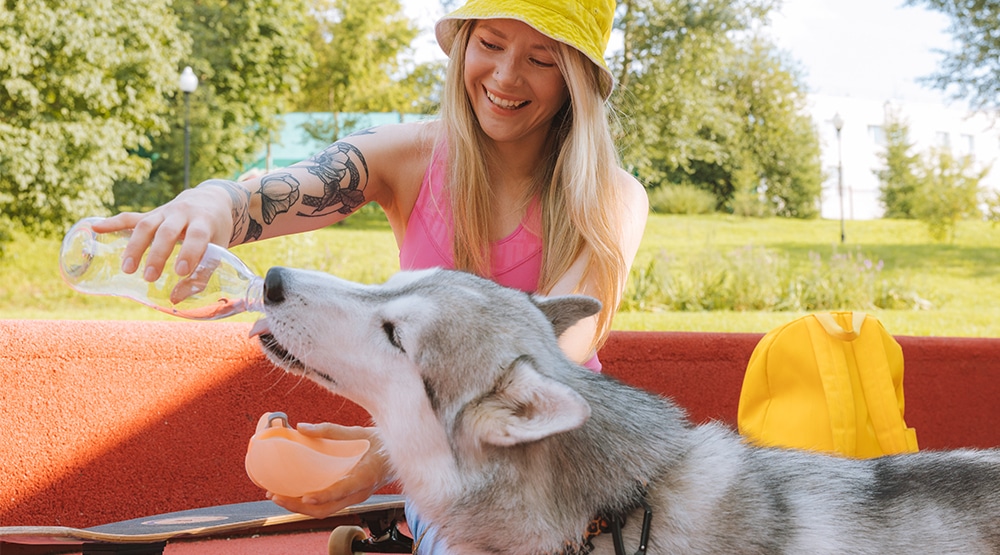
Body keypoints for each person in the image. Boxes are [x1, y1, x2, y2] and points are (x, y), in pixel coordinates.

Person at [97, 0, 647, 550]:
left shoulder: (613, 197)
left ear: (575, 78)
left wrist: (389, 449)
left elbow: (557, 351)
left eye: (542, 59)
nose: (505, 75)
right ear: (464, 45)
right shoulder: (407, 155)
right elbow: (286, 189)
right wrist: (210, 203)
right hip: (459, 481)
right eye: (491, 43)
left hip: (574, 455)